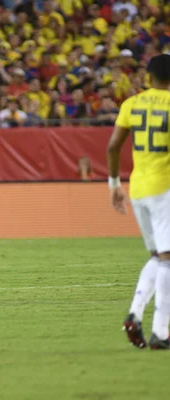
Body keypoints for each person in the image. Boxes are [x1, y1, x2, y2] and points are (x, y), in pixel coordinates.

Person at [107, 54, 170, 350]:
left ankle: (135, 313)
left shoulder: (132, 103)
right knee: (167, 260)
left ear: (148, 76)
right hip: (165, 187)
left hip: (138, 187)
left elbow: (113, 146)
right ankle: (160, 331)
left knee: (159, 257)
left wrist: (114, 184)